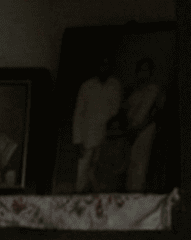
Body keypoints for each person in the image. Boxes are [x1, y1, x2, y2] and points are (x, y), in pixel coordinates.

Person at [71, 58, 122, 193]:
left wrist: (113, 137)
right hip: (87, 135)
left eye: (107, 64)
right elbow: (78, 114)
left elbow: (115, 112)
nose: (104, 67)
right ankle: (79, 199)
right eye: (102, 65)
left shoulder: (115, 85)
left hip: (106, 137)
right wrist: (78, 139)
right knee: (83, 171)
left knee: (101, 173)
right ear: (97, 67)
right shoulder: (87, 86)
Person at [122, 57, 166, 192]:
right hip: (131, 132)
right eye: (141, 70)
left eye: (146, 70)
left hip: (147, 130)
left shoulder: (154, 90)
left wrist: (140, 128)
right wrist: (130, 129)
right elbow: (125, 113)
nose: (143, 73)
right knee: (130, 164)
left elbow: (156, 112)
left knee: (142, 165)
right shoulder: (133, 93)